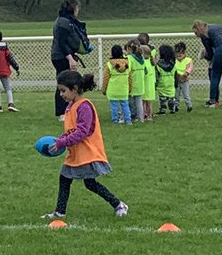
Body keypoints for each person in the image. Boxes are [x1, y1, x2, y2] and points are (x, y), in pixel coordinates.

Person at [42, 71, 128, 222]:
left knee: (90, 183)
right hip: (75, 154)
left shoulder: (84, 106)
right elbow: (71, 130)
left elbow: (82, 132)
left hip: (87, 153)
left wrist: (63, 142)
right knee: (65, 179)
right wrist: (60, 140)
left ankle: (119, 204)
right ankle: (59, 213)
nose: (61, 94)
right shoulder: (71, 106)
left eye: (63, 90)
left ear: (74, 88)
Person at [50, 0, 91, 120]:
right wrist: (70, 58)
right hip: (61, 56)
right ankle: (62, 112)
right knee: (64, 83)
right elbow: (61, 42)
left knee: (66, 82)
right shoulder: (63, 22)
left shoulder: (63, 20)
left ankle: (68, 110)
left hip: (62, 56)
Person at [193, 21, 222, 107]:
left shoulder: (204, 35)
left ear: (199, 29)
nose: (196, 35)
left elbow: (210, 53)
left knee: (215, 74)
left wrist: (205, 56)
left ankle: (212, 101)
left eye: (196, 33)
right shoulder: (218, 26)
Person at [101, 43, 132, 124]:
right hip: (124, 89)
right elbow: (130, 78)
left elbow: (106, 78)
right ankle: (128, 120)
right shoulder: (128, 64)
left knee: (114, 106)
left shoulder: (109, 65)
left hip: (113, 90)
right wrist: (130, 88)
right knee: (125, 105)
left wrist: (104, 89)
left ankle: (115, 120)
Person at [126, 39, 146, 127]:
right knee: (139, 101)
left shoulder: (130, 58)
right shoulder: (142, 58)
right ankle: (141, 117)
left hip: (133, 80)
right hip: (141, 81)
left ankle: (133, 115)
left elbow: (128, 69)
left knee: (131, 100)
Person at [156, 44, 178, 114]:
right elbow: (175, 75)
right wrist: (176, 84)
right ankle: (172, 108)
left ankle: (163, 109)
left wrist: (156, 84)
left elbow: (157, 75)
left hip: (162, 83)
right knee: (171, 96)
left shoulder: (159, 64)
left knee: (162, 97)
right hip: (171, 83)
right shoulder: (173, 64)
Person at [173, 42, 194, 112]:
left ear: (184, 52)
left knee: (186, 95)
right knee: (176, 95)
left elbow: (190, 68)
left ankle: (189, 106)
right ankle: (176, 106)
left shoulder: (188, 60)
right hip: (176, 80)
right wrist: (177, 74)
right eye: (177, 53)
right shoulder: (174, 61)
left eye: (181, 53)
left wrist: (186, 73)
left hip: (185, 80)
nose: (179, 55)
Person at [141, 44, 157, 121]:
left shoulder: (143, 62)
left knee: (143, 102)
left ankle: (144, 114)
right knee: (149, 102)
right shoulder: (152, 62)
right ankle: (149, 115)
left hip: (145, 84)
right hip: (150, 85)